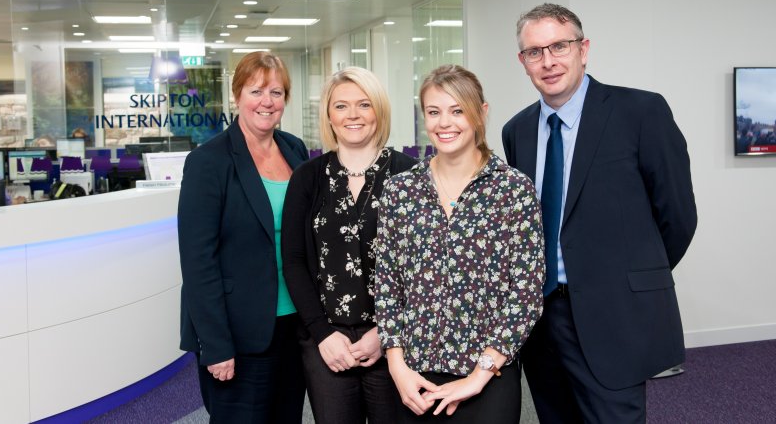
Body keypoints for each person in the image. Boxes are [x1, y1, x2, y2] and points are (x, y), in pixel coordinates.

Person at [502, 3, 698, 423]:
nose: (548, 61)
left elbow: (677, 215)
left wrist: (632, 277)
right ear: (523, 62)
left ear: (583, 49)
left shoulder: (641, 112)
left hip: (614, 316)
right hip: (540, 320)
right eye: (535, 52)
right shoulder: (516, 131)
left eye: (559, 46)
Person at [376, 65, 544, 423]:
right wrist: (396, 365)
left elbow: (526, 291)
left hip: (487, 375)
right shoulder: (400, 190)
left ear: (481, 113)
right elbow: (387, 285)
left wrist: (479, 375)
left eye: (457, 110)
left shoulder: (513, 190)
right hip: (414, 375)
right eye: (434, 112)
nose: (444, 123)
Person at [177, 51, 308, 423]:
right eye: (256, 91)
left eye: (277, 92)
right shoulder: (209, 161)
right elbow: (197, 262)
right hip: (238, 333)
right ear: (237, 96)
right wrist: (216, 345)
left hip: (293, 326)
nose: (267, 102)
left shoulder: (294, 149)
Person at [282, 67, 416, 424]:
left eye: (364, 104)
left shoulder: (411, 174)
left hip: (396, 340)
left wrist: (387, 333)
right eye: (341, 106)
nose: (353, 115)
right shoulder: (307, 178)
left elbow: (424, 267)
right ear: (329, 114)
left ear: (379, 111)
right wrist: (323, 335)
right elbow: (294, 262)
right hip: (326, 341)